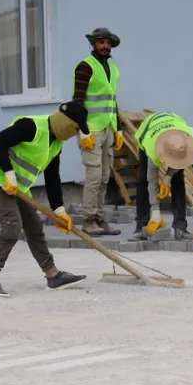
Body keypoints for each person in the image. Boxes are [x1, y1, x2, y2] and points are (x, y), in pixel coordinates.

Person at [0, 102, 90, 297]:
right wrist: (8, 173)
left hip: (17, 187)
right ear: (66, 122)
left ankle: (53, 275)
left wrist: (59, 211)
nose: (73, 135)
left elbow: (52, 177)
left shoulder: (56, 143)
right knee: (12, 224)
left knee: (34, 226)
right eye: (75, 129)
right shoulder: (32, 127)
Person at [73, 27, 124, 236]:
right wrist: (84, 131)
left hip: (107, 128)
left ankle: (100, 219)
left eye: (108, 43)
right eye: (101, 42)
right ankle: (88, 219)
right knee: (93, 176)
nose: (105, 46)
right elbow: (77, 101)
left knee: (104, 177)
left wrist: (118, 129)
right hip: (91, 130)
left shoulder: (113, 70)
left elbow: (112, 101)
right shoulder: (85, 67)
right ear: (93, 44)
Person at [131, 112, 193, 241]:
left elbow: (180, 161)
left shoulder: (186, 139)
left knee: (177, 180)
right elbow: (152, 182)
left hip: (173, 122)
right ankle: (141, 225)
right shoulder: (152, 148)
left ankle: (180, 227)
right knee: (143, 181)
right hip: (148, 132)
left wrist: (167, 177)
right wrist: (155, 210)